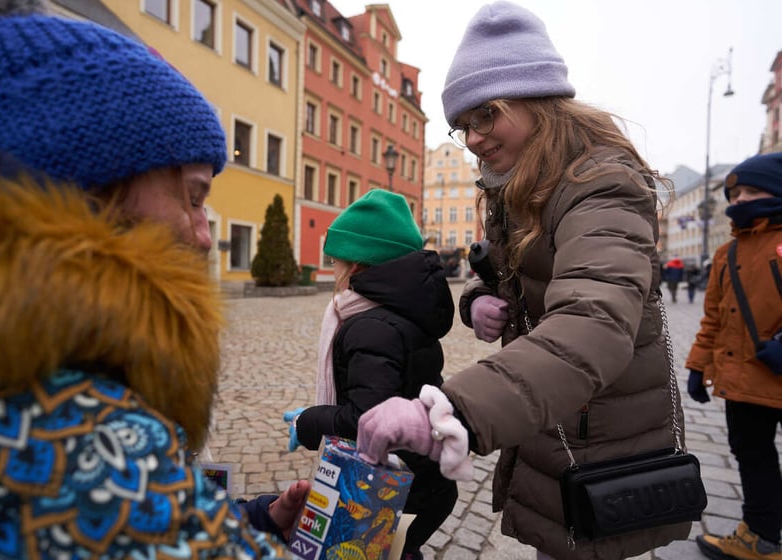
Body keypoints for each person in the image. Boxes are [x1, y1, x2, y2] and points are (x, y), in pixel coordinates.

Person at [0, 7, 309, 557]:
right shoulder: (71, 435)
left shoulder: (23, 369)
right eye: (192, 197)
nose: (204, 237)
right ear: (92, 190)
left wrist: (248, 517)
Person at [354, 2, 691, 559]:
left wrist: (449, 411)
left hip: (602, 426)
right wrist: (482, 299)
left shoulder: (602, 183)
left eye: (486, 114)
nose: (475, 136)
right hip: (549, 411)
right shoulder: (515, 184)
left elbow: (594, 324)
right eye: (463, 125)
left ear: (536, 98)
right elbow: (508, 278)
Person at [282, 189, 460, 560]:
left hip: (394, 488)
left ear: (359, 265)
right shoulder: (401, 314)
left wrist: (308, 422)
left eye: (336, 260)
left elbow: (367, 417)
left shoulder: (370, 326)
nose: (333, 269)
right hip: (424, 479)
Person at [685, 152, 782, 560]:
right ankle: (760, 537)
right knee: (753, 456)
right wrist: (697, 367)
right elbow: (713, 319)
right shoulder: (727, 254)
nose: (740, 199)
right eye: (735, 192)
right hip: (745, 377)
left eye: (752, 191)